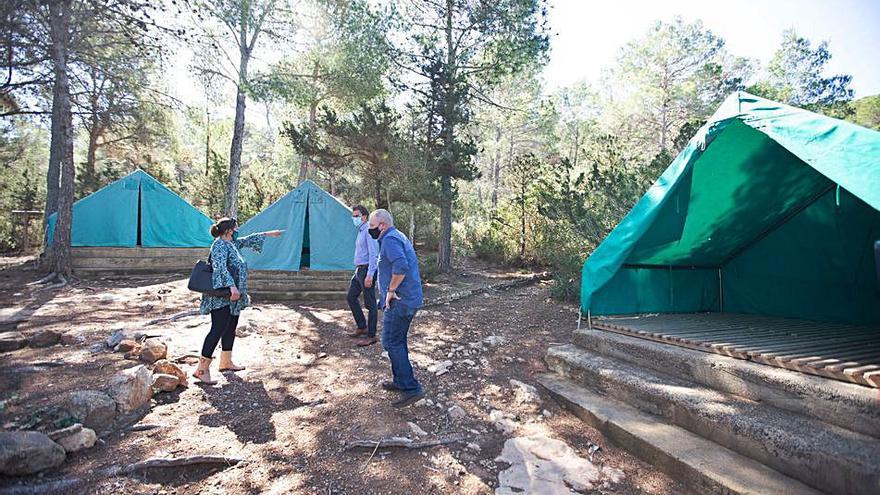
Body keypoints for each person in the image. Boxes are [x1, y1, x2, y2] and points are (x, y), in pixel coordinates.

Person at [193, 217, 283, 384]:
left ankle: (226, 361)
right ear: (229, 230)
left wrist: (268, 234)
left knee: (230, 326)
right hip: (222, 295)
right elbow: (219, 267)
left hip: (233, 296)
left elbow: (246, 240)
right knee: (218, 328)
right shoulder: (219, 245)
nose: (237, 230)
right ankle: (201, 369)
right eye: (235, 228)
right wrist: (231, 287)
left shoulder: (231, 243)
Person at [369, 208, 425, 408]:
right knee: (398, 341)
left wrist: (391, 290)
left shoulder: (390, 240)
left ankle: (411, 389)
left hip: (400, 301)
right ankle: (401, 381)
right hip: (407, 299)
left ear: (382, 225)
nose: (370, 230)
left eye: (372, 226)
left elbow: (400, 266)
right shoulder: (395, 236)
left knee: (391, 342)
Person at [347, 205, 380, 347]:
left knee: (370, 303)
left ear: (364, 217)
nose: (354, 218)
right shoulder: (361, 230)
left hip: (367, 270)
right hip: (359, 270)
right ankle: (362, 326)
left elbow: (374, 253)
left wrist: (370, 274)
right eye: (353, 216)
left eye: (356, 216)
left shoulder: (368, 230)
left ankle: (372, 335)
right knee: (351, 296)